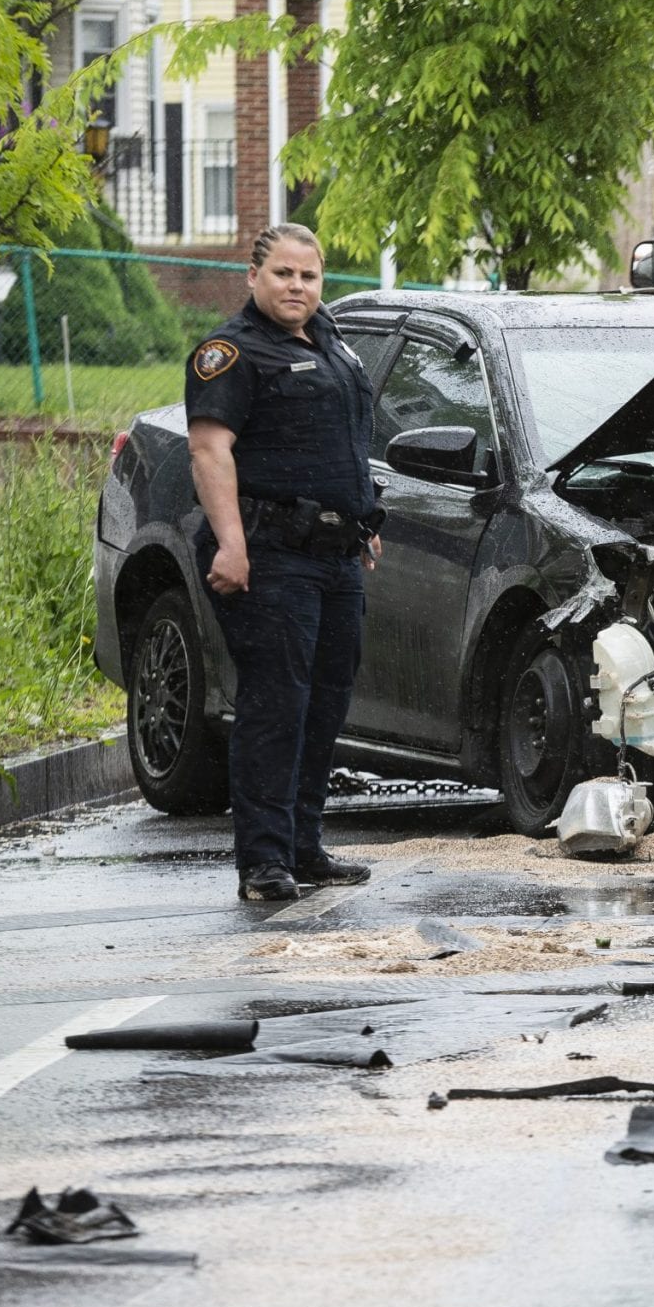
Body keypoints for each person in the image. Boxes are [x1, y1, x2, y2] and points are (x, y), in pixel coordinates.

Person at [185, 224, 382, 903]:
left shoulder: (330, 344)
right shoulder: (231, 352)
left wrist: (363, 517)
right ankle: (263, 862)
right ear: (253, 277)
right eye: (284, 274)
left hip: (334, 557)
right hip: (269, 555)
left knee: (324, 703)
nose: (297, 286)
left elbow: (343, 440)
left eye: (309, 276)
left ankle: (303, 844)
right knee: (277, 704)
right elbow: (211, 451)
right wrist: (232, 542)